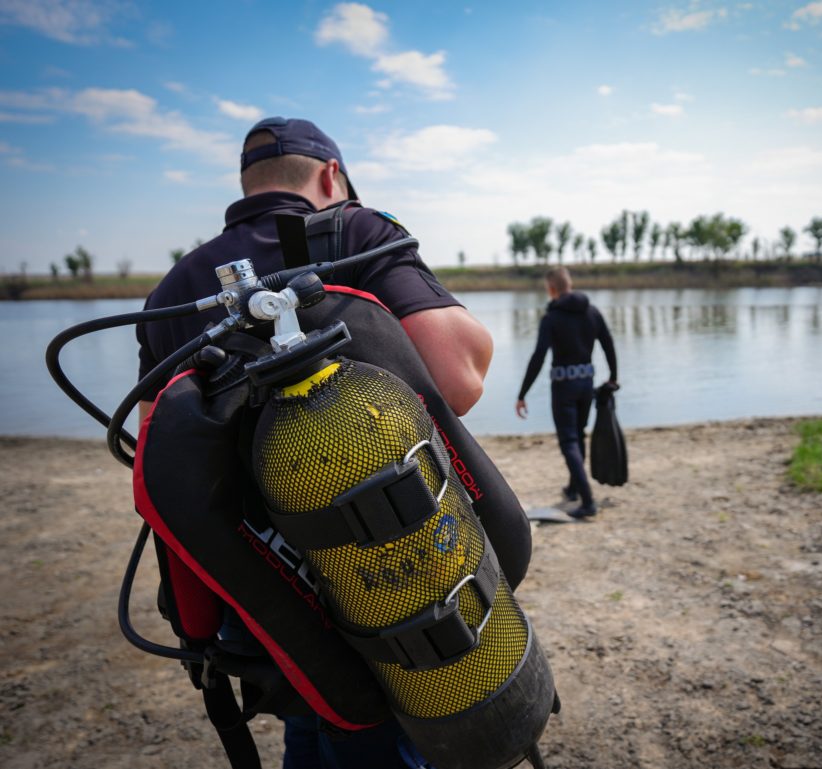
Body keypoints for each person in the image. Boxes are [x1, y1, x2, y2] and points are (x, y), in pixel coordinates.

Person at [135, 116, 494, 769]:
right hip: (401, 570)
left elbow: (165, 471)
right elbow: (459, 378)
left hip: (270, 604)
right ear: (332, 176)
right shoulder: (356, 230)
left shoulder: (172, 293)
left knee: (316, 723)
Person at [515, 266, 617, 519]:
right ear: (570, 284)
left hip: (563, 388)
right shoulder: (592, 312)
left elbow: (538, 357)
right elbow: (608, 343)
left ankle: (587, 500)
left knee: (569, 442)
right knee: (578, 436)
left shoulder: (551, 319)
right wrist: (614, 376)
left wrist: (522, 393)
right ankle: (573, 488)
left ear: (551, 290)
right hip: (586, 386)